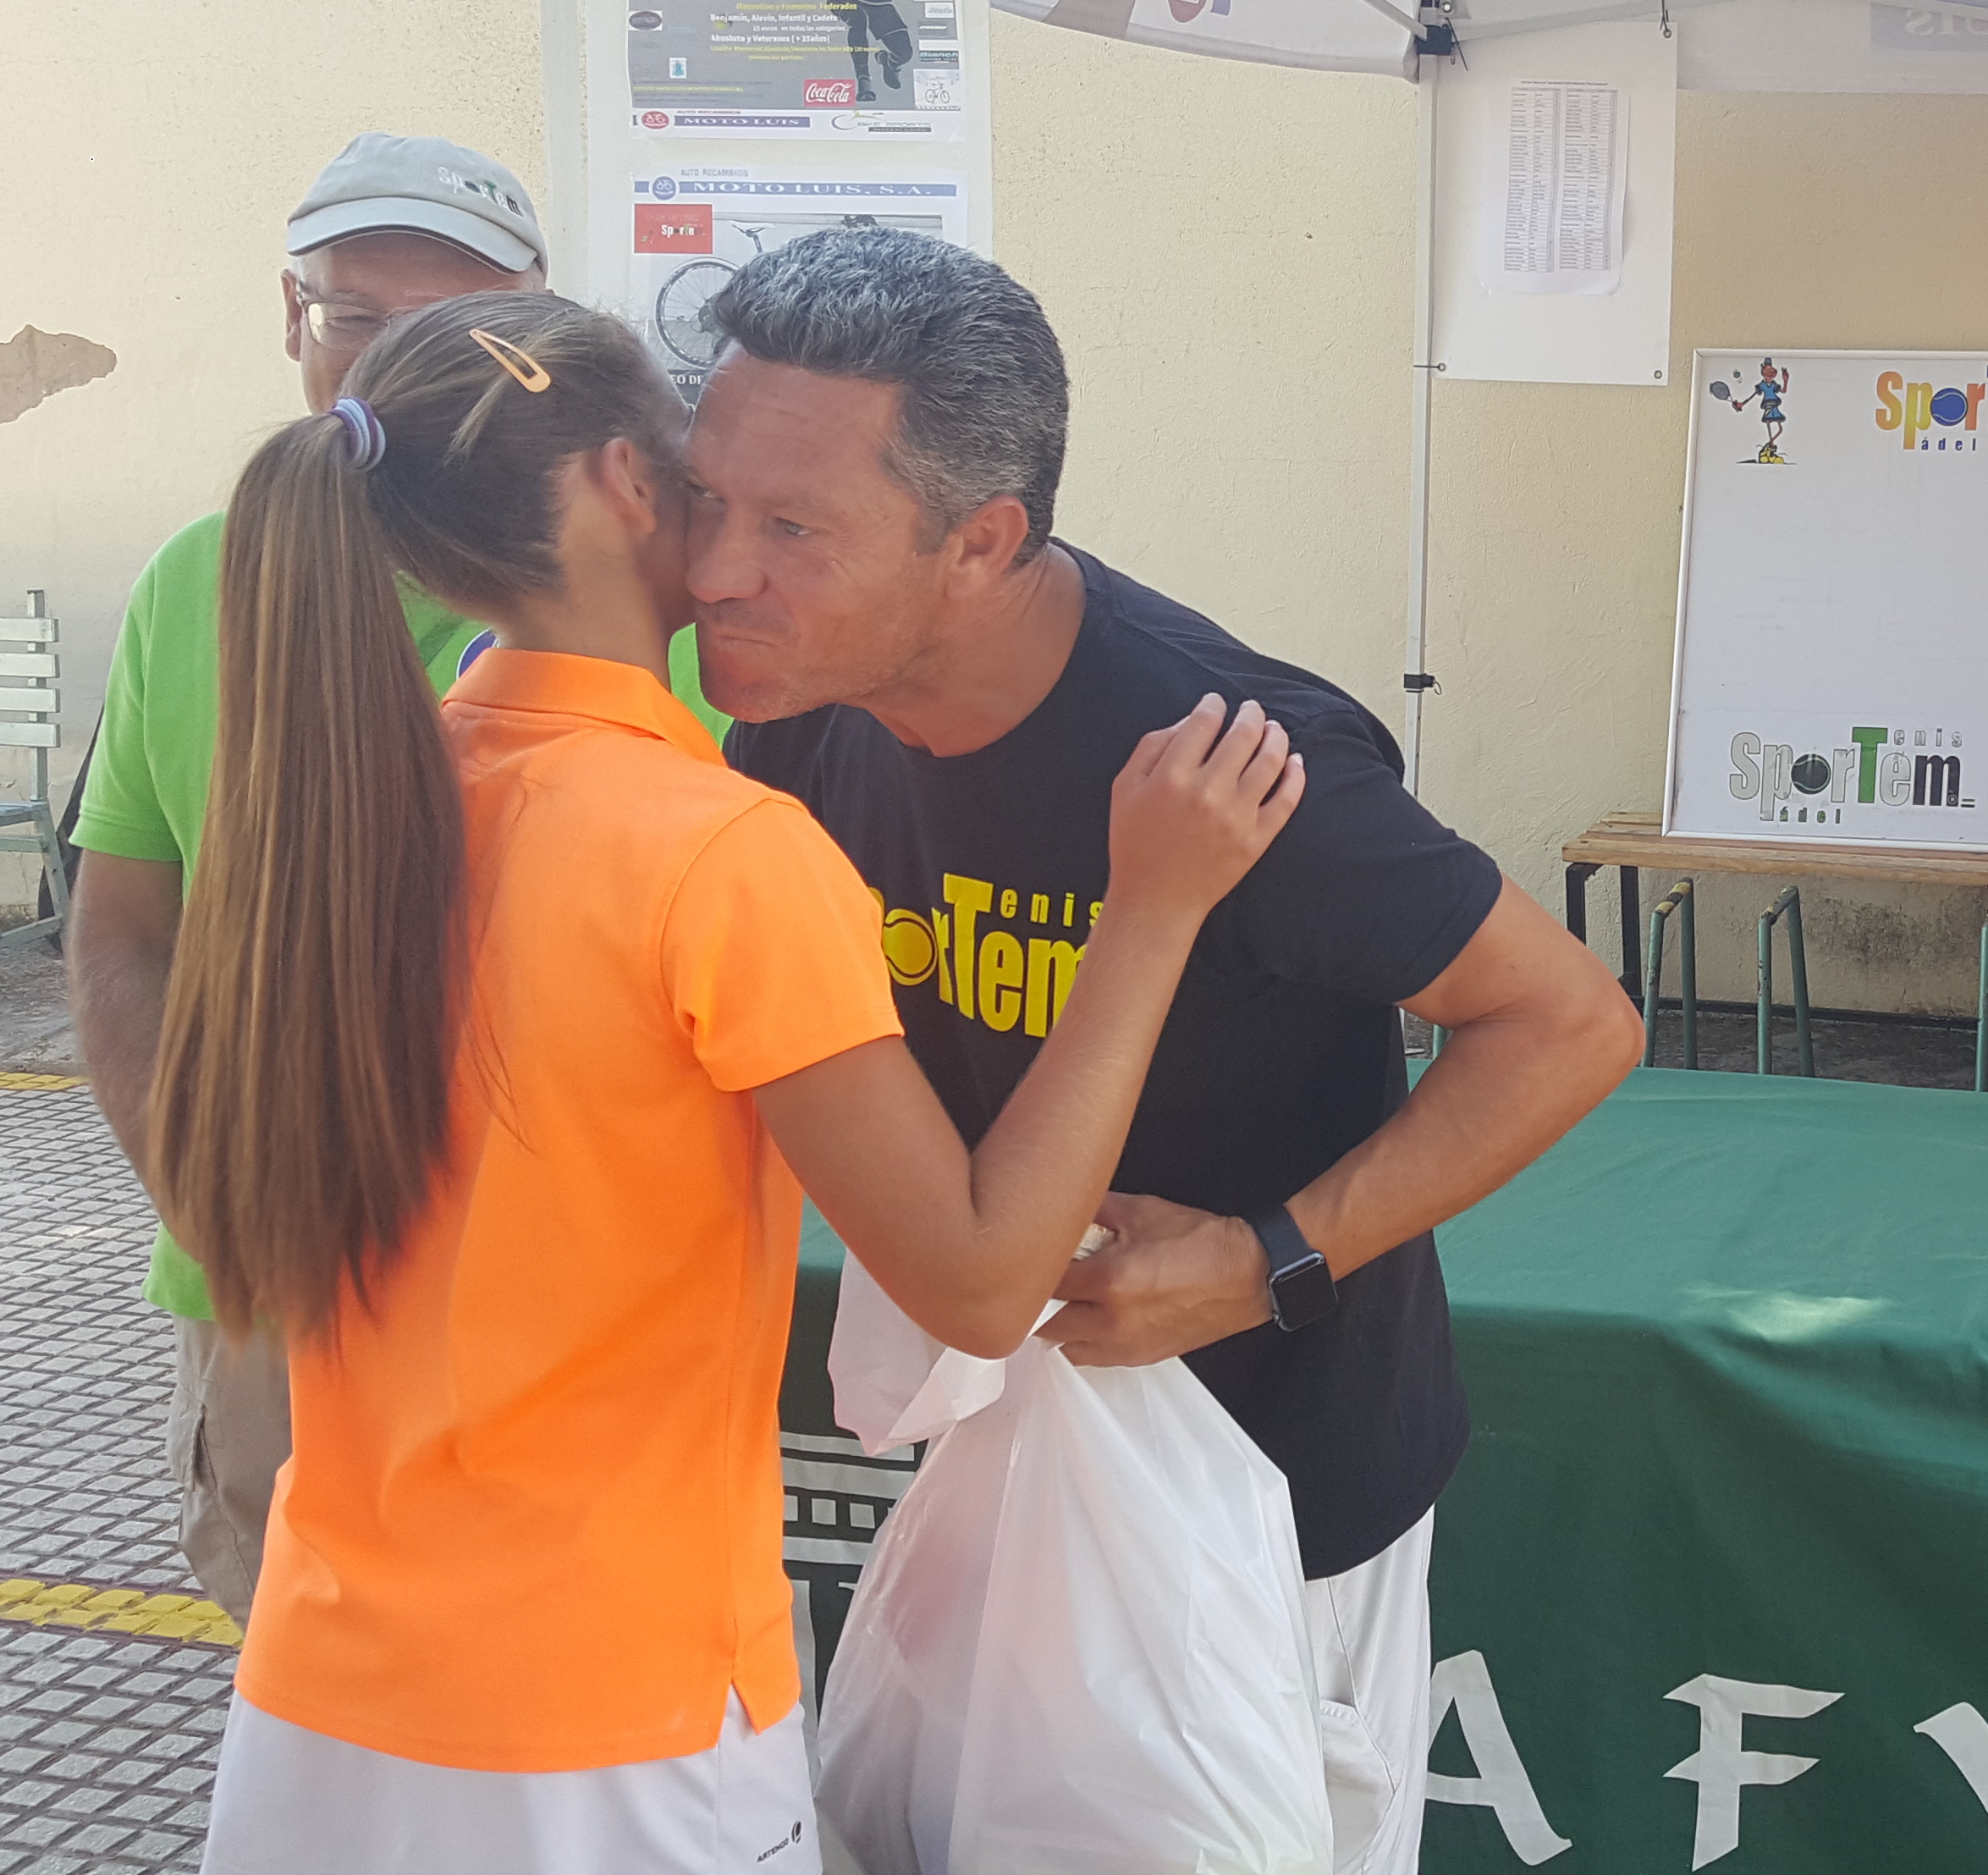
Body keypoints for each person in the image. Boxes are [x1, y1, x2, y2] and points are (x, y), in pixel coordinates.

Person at [159, 290, 1301, 1872]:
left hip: (321, 1687)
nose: (738, 540)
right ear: (625, 483)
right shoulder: (718, 853)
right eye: (707, 481)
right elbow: (981, 1281)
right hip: (611, 1712)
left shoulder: (345, 802)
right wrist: (1153, 910)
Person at [679, 230, 1645, 1875]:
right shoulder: (792, 715)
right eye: (706, 500)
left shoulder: (1229, 762)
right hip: (998, 1455)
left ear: (980, 542)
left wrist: (1267, 1260)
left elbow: (1569, 1022)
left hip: (1274, 1495)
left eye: (792, 529)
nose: (714, 570)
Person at [69, 134, 723, 1624]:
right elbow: (121, 930)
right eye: (355, 313)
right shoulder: (195, 581)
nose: (400, 362)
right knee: (308, 1691)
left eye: (462, 323)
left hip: (580, 1324)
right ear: (288, 316)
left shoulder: (655, 602)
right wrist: (205, 1193)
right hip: (280, 1303)